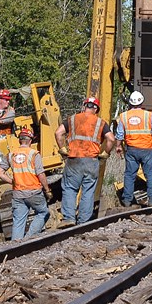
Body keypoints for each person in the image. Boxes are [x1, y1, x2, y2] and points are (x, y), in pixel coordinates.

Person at [55, 96, 116, 227]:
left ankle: (69, 218)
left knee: (70, 189)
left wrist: (63, 149)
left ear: (84, 106)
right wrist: (105, 152)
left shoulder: (72, 119)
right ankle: (83, 222)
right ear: (96, 109)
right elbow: (111, 138)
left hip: (74, 159)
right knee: (88, 191)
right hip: (91, 160)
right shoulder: (100, 122)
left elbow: (58, 133)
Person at [0, 126, 52, 241]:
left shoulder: (11, 154)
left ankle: (15, 246)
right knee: (43, 212)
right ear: (30, 141)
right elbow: (41, 174)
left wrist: (12, 181)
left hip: (18, 193)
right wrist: (47, 190)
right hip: (34, 191)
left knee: (18, 221)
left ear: (19, 140)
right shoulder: (34, 154)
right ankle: (28, 239)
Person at [115, 91, 152, 207]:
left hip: (131, 150)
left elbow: (119, 134)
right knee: (150, 175)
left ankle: (127, 200)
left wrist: (118, 146)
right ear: (141, 102)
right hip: (146, 149)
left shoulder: (124, 116)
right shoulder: (148, 115)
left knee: (129, 175)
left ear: (130, 103)